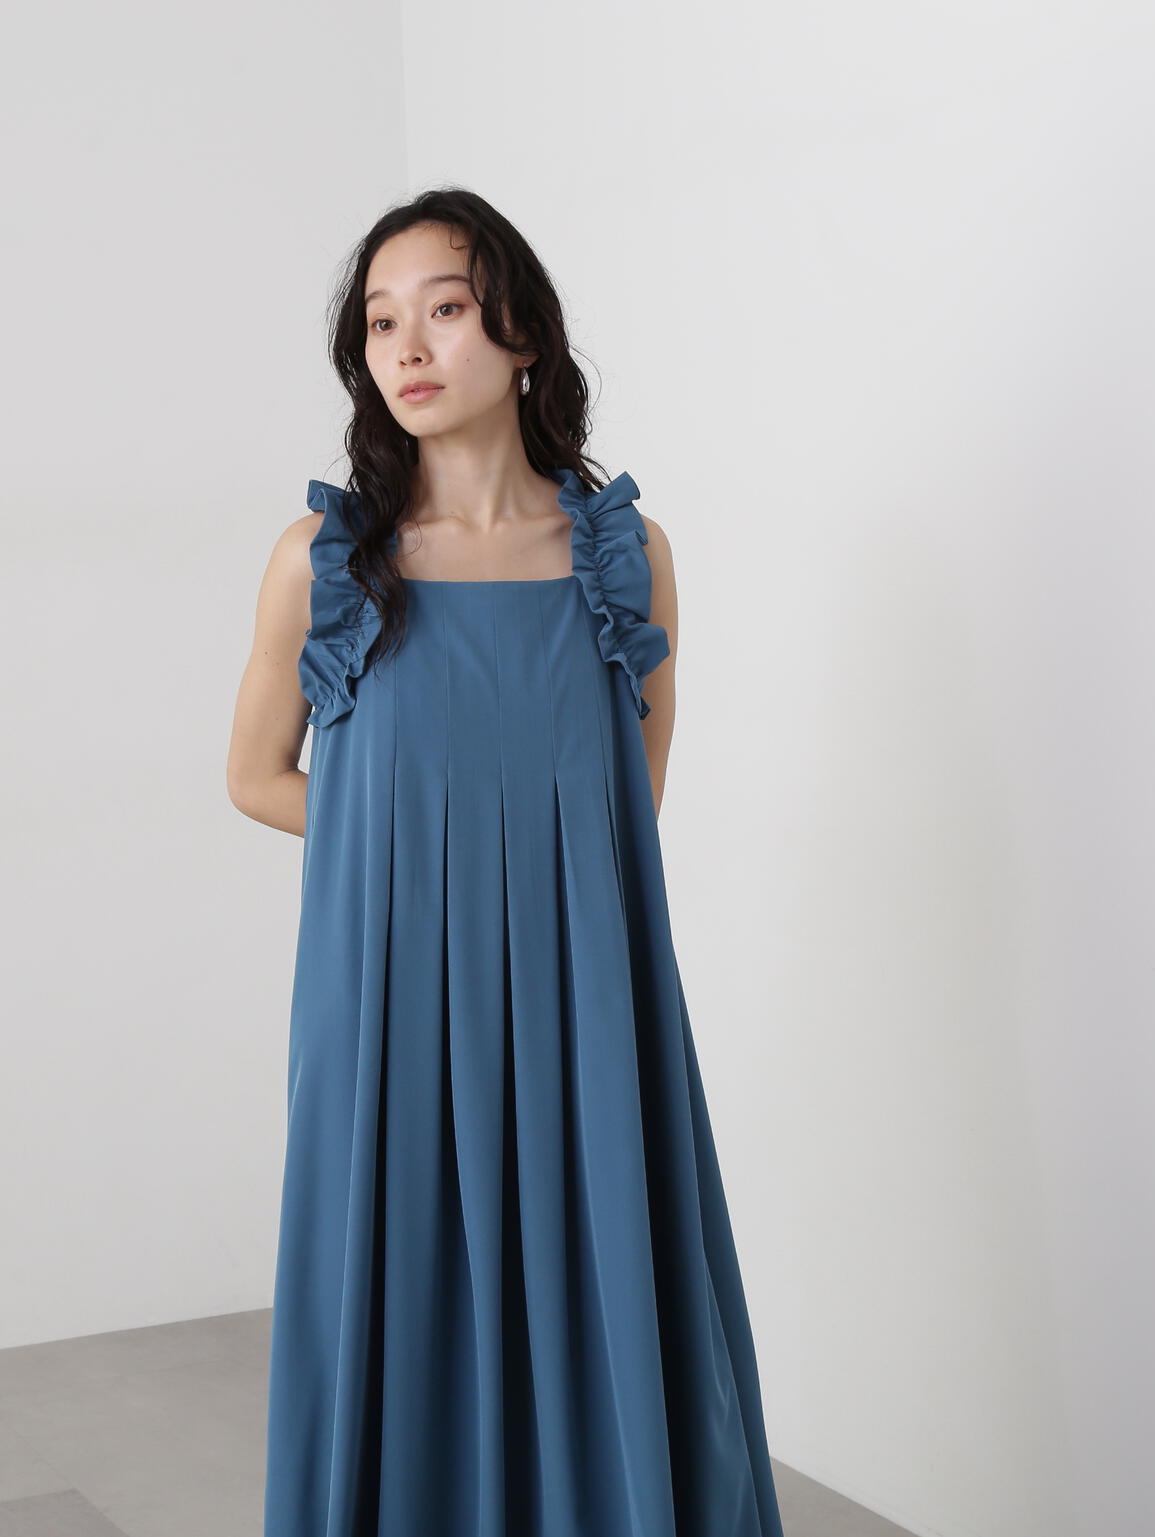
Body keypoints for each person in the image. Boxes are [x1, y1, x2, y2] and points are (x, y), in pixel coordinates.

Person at [227, 185, 786, 1537]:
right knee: (396, 1286)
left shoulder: (623, 561)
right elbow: (255, 777)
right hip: (389, 1007)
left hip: (579, 1004)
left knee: (603, 1289)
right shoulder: (327, 564)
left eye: (446, 309)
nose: (408, 347)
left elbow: (623, 810)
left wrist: (499, 863)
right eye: (380, 322)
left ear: (522, 333)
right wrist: (407, 851)